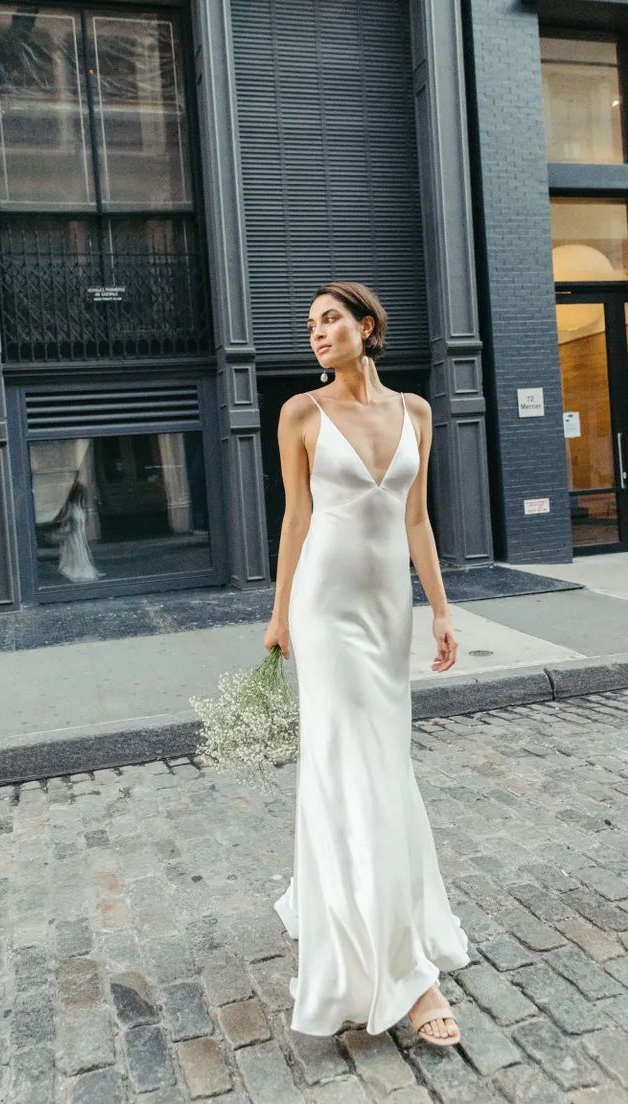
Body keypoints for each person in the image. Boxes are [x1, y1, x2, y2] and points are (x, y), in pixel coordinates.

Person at [263, 281, 470, 1046]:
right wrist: (280, 613)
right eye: (309, 323)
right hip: (325, 611)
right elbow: (295, 518)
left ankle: (338, 900)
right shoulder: (300, 414)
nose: (316, 333)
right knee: (354, 769)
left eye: (329, 319)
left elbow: (416, 517)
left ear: (366, 326)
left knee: (384, 764)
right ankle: (408, 977)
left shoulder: (415, 412)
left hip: (387, 616)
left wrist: (441, 610)